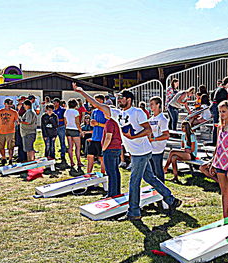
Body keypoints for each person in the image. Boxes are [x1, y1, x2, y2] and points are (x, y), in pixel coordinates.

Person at [72, 83, 182, 220]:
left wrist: (133, 136)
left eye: (121, 98)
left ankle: (134, 212)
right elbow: (97, 104)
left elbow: (148, 130)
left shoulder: (137, 112)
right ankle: (171, 199)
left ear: (128, 99)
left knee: (134, 181)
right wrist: (81, 92)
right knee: (149, 177)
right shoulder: (118, 113)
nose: (119, 100)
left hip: (141, 152)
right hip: (137, 152)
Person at [101, 109, 123, 198]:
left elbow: (108, 137)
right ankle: (117, 192)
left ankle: (112, 193)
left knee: (111, 172)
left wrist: (103, 148)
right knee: (115, 171)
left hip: (110, 149)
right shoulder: (117, 122)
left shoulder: (110, 122)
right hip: (117, 148)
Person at [148, 96, 170, 183]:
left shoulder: (162, 119)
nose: (150, 106)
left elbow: (166, 135)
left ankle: (162, 191)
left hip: (158, 149)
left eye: (152, 104)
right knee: (152, 172)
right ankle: (154, 189)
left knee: (158, 171)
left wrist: (153, 139)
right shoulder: (150, 119)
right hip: (150, 148)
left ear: (158, 105)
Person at [0, 98, 19, 165]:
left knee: (11, 147)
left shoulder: (14, 112)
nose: (9, 106)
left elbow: (18, 121)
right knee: (1, 146)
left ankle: (10, 159)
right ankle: (3, 158)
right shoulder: (0, 111)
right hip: (1, 131)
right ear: (4, 104)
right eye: (8, 104)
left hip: (11, 131)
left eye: (10, 104)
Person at [86, 94, 107, 175]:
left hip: (102, 138)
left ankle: (103, 175)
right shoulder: (94, 111)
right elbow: (93, 124)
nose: (93, 103)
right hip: (94, 138)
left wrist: (97, 124)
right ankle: (88, 174)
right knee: (89, 156)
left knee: (102, 158)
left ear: (101, 101)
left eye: (96, 100)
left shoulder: (105, 111)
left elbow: (108, 125)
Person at [211, 77, 228, 145]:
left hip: (215, 107)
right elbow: (222, 102)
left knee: (216, 124)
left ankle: (216, 140)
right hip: (217, 108)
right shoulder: (223, 90)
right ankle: (216, 141)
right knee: (217, 124)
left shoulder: (219, 89)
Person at [64, 98, 83, 174]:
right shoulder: (76, 112)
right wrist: (81, 131)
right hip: (75, 130)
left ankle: (72, 162)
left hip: (68, 129)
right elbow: (77, 123)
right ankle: (78, 162)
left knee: (70, 147)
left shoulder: (66, 111)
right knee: (78, 147)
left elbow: (65, 122)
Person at [52, 98, 68, 167]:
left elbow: (64, 119)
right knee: (52, 142)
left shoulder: (63, 110)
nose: (54, 104)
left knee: (62, 142)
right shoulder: (52, 110)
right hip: (54, 128)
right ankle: (53, 155)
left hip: (61, 127)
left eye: (55, 102)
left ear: (58, 103)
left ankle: (63, 155)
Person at [15, 97, 28, 163]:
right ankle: (20, 156)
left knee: (23, 143)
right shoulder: (17, 108)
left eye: (21, 100)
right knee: (19, 143)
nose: (19, 102)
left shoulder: (24, 109)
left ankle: (23, 157)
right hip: (18, 126)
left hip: (23, 127)